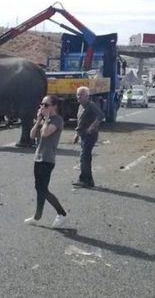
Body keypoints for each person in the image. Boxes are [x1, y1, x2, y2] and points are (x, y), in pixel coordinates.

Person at [24, 94, 67, 228]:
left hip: (47, 159)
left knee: (42, 189)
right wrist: (38, 121)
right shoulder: (44, 120)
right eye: (41, 104)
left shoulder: (57, 120)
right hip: (38, 158)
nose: (42, 107)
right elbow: (32, 135)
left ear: (54, 106)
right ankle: (37, 216)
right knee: (39, 188)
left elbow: (45, 133)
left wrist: (46, 120)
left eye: (46, 105)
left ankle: (62, 213)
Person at [72, 86, 103, 188]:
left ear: (87, 96)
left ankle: (84, 179)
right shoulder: (81, 107)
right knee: (85, 157)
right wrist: (77, 135)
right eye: (77, 94)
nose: (78, 97)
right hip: (83, 135)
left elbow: (101, 116)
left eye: (81, 95)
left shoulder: (91, 105)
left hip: (90, 135)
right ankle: (88, 180)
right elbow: (80, 122)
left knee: (84, 157)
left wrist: (91, 127)